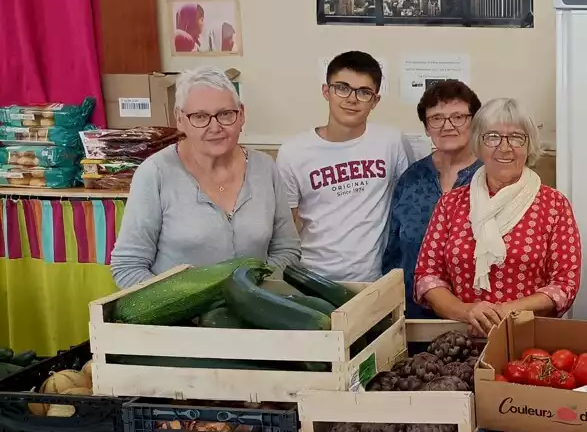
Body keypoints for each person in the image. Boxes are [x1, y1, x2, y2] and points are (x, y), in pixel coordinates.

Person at [111, 68, 300, 288]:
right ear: (180, 120)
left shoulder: (265, 168)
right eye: (200, 116)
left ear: (241, 114)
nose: (215, 127)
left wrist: (255, 294)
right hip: (179, 319)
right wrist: (184, 307)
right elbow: (127, 266)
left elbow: (287, 249)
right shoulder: (155, 173)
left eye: (225, 114)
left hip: (255, 314)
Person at [415, 98, 581, 336]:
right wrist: (465, 311)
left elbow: (565, 285)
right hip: (458, 339)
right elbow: (427, 276)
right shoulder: (451, 204)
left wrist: (503, 312)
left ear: (529, 145)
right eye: (492, 137)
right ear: (478, 145)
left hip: (528, 341)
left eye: (516, 137)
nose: (504, 147)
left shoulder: (554, 205)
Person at [275, 51, 413, 283]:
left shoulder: (392, 142)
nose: (351, 99)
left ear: (375, 101)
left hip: (375, 280)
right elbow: (284, 227)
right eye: (342, 88)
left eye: (364, 92)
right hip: (311, 279)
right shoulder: (293, 152)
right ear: (326, 91)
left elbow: (407, 207)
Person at [383, 80, 484, 319]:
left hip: (478, 318)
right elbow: (393, 253)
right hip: (413, 317)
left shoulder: (490, 177)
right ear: (427, 128)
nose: (447, 126)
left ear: (475, 122)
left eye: (458, 117)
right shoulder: (411, 179)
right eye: (437, 118)